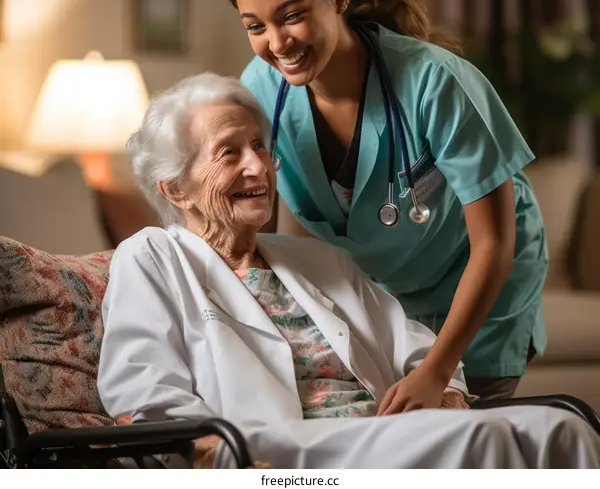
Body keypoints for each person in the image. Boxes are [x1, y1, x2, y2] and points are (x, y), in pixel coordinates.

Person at [97, 73, 600, 469]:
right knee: (486, 440)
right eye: (230, 153)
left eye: (260, 147)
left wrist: (446, 391)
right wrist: (207, 453)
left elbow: (413, 348)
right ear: (175, 189)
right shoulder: (151, 257)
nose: (259, 167)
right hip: (280, 450)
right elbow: (144, 390)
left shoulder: (315, 258)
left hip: (378, 430)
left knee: (564, 428)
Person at [225, 0, 548, 404]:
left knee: (469, 434)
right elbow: (255, 236)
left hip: (480, 278)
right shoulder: (260, 93)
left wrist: (436, 371)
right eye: (256, 26)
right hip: (382, 292)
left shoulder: (435, 83)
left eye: (291, 15)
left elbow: (494, 244)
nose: (276, 43)